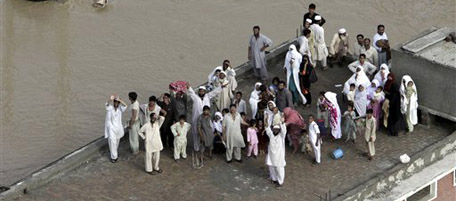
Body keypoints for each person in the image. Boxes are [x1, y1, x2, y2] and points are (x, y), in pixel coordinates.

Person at [187, 83, 221, 152]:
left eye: (202, 91)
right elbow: (191, 92)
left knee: (207, 132)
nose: (201, 92)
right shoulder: (195, 97)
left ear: (205, 92)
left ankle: (206, 145)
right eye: (200, 91)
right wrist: (189, 87)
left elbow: (214, 92)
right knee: (196, 133)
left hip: (206, 118)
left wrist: (221, 87)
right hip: (196, 119)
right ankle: (196, 148)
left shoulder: (207, 97)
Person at [104, 95, 127, 163]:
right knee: (112, 142)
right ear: (113, 103)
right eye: (115, 102)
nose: (116, 104)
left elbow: (125, 105)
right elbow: (106, 105)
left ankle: (113, 152)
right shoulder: (110, 108)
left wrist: (120, 100)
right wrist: (110, 99)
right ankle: (114, 157)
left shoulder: (120, 108)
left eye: (117, 103)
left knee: (116, 142)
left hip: (118, 128)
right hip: (111, 128)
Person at [265, 122, 287, 188]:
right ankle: (274, 179)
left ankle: (280, 182)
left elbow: (284, 130)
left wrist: (282, 123)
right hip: (271, 156)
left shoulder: (281, 136)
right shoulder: (271, 135)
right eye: (274, 129)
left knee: (279, 169)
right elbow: (267, 129)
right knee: (271, 167)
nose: (275, 130)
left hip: (279, 157)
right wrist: (266, 122)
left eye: (277, 129)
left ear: (279, 130)